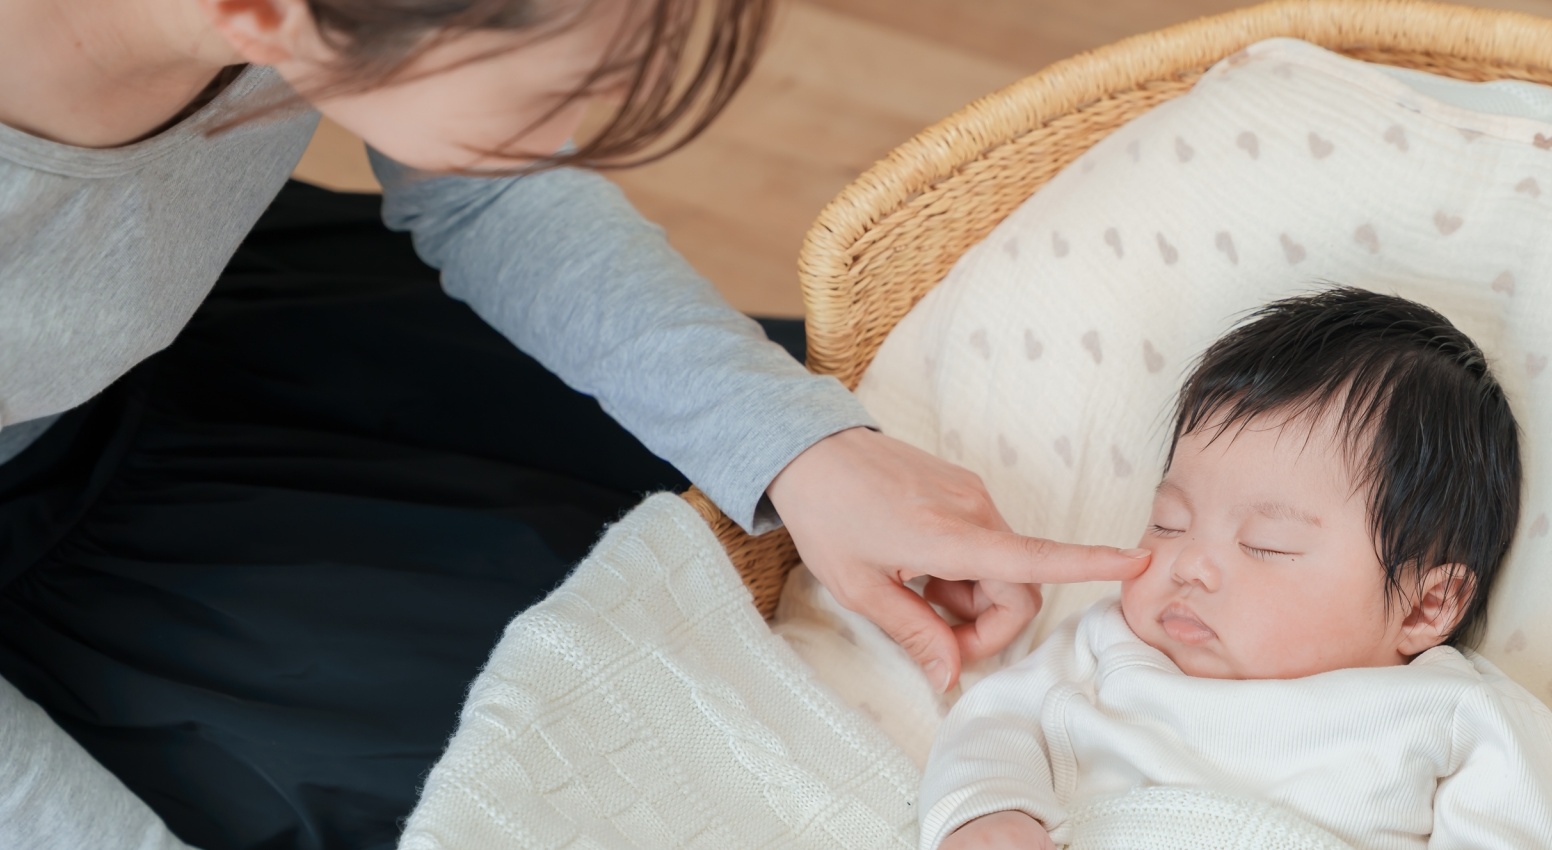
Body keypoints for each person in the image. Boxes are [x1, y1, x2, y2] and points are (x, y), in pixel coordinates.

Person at [0, 0, 1151, 847]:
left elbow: (486, 184)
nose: (595, 121)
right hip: (52, 571)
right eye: (566, 93)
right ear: (259, 19)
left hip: (198, 327)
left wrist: (800, 444)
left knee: (771, 509)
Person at [921, 288, 1552, 850]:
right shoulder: (1108, 646)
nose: (1189, 564)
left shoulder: (1457, 713)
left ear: (1424, 606)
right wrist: (988, 812)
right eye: (1169, 522)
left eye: (1267, 544)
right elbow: (991, 722)